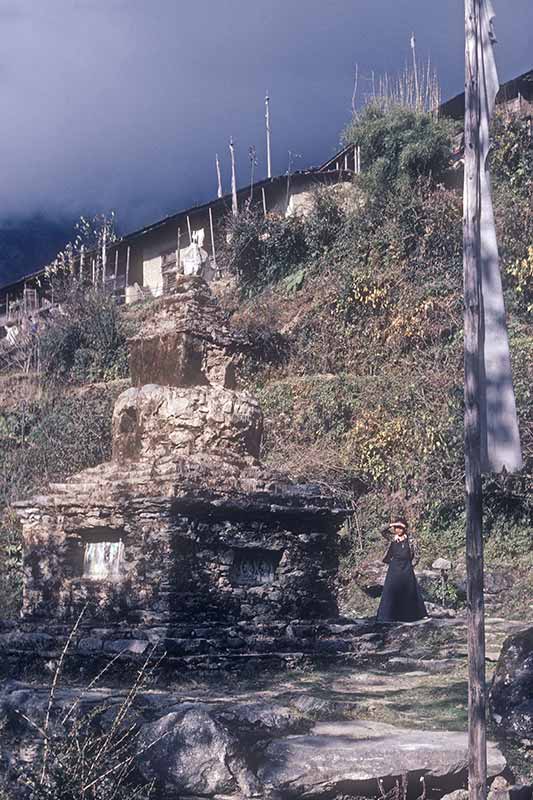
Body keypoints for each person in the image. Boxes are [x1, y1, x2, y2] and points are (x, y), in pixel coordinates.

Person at [376, 517, 427, 623]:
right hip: (394, 567)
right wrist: (392, 524)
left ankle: (413, 615)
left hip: (407, 567)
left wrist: (411, 565)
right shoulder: (392, 538)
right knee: (391, 589)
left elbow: (417, 555)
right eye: (396, 528)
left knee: (410, 590)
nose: (398, 530)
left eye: (400, 528)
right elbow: (381, 530)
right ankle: (388, 616)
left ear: (405, 528)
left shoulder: (411, 540)